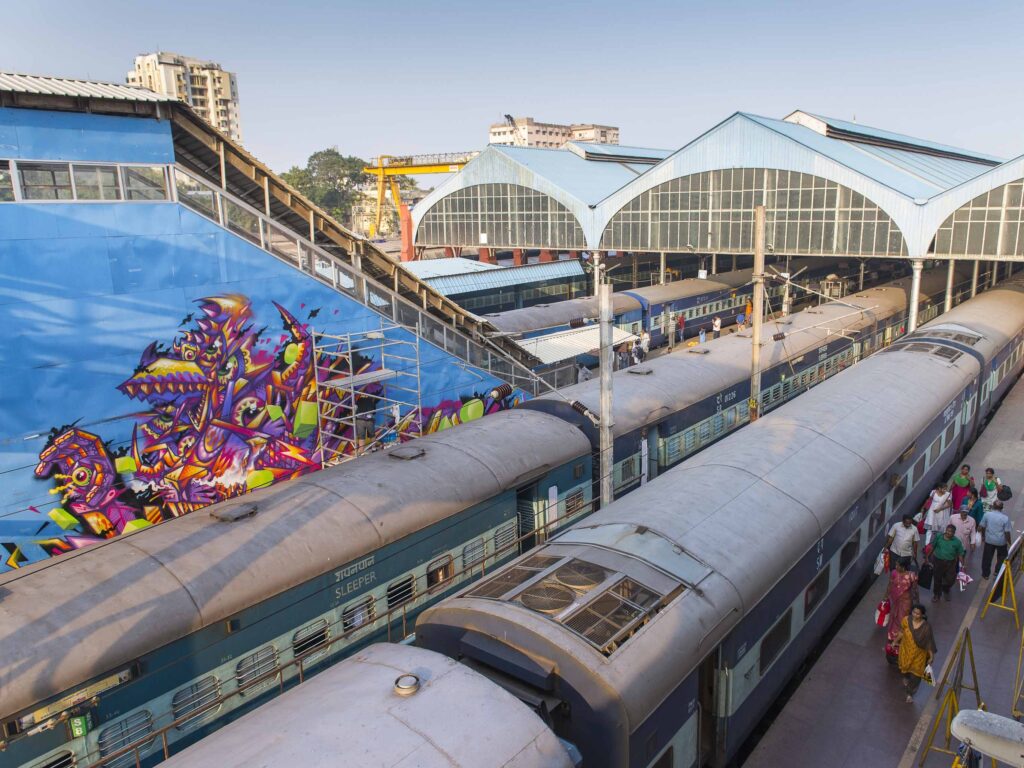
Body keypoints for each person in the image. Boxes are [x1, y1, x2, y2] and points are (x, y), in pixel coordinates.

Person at [894, 604, 936, 703]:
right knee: (904, 668)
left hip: (919, 656)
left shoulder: (926, 627)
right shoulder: (906, 620)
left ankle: (909, 693)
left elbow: (929, 642)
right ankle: (905, 676)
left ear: (922, 615)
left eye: (918, 613)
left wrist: (931, 656)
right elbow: (901, 632)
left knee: (916, 676)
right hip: (906, 651)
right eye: (914, 612)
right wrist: (894, 642)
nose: (915, 615)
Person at [886, 558, 919, 646]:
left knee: (902, 618)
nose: (896, 567)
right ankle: (893, 636)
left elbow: (915, 589)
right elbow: (890, 585)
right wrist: (885, 596)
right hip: (895, 599)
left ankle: (900, 637)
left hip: (906, 601)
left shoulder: (911, 576)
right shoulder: (894, 573)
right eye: (896, 565)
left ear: (904, 567)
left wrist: (917, 603)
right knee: (894, 616)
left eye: (898, 566)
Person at [930, 524, 965, 602]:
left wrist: (963, 564)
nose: (949, 533)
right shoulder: (939, 537)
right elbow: (932, 547)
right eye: (948, 531)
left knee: (950, 579)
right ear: (946, 530)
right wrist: (927, 557)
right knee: (937, 579)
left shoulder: (957, 542)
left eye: (951, 532)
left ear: (954, 533)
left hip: (950, 563)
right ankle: (936, 595)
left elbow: (960, 553)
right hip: (938, 561)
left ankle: (946, 590)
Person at [979, 499, 1013, 579]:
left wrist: (983, 536)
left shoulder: (987, 514)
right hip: (1001, 542)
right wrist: (1009, 543)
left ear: (993, 507)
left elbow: (982, 527)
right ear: (1002, 508)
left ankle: (985, 574)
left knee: (987, 558)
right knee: (1002, 557)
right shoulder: (1005, 518)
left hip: (989, 540)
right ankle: (997, 571)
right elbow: (1007, 532)